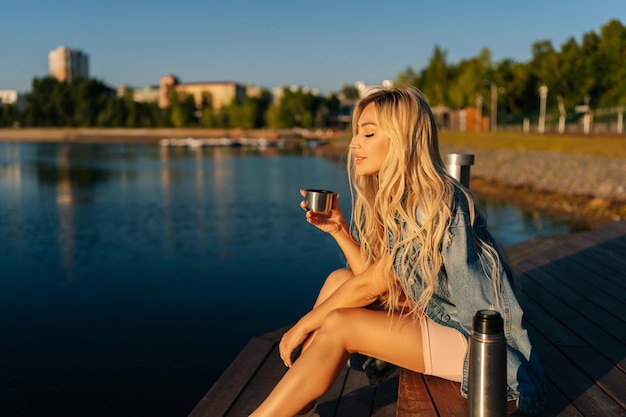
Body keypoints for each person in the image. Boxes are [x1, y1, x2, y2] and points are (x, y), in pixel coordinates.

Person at [249, 85, 546, 417]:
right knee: (338, 280)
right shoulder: (402, 196)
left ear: (401, 139)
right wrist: (340, 231)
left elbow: (372, 285)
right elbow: (380, 279)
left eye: (369, 133)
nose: (353, 144)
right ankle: (298, 400)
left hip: (483, 351)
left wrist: (303, 325)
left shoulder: (429, 201)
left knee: (340, 325)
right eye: (356, 133)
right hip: (443, 320)